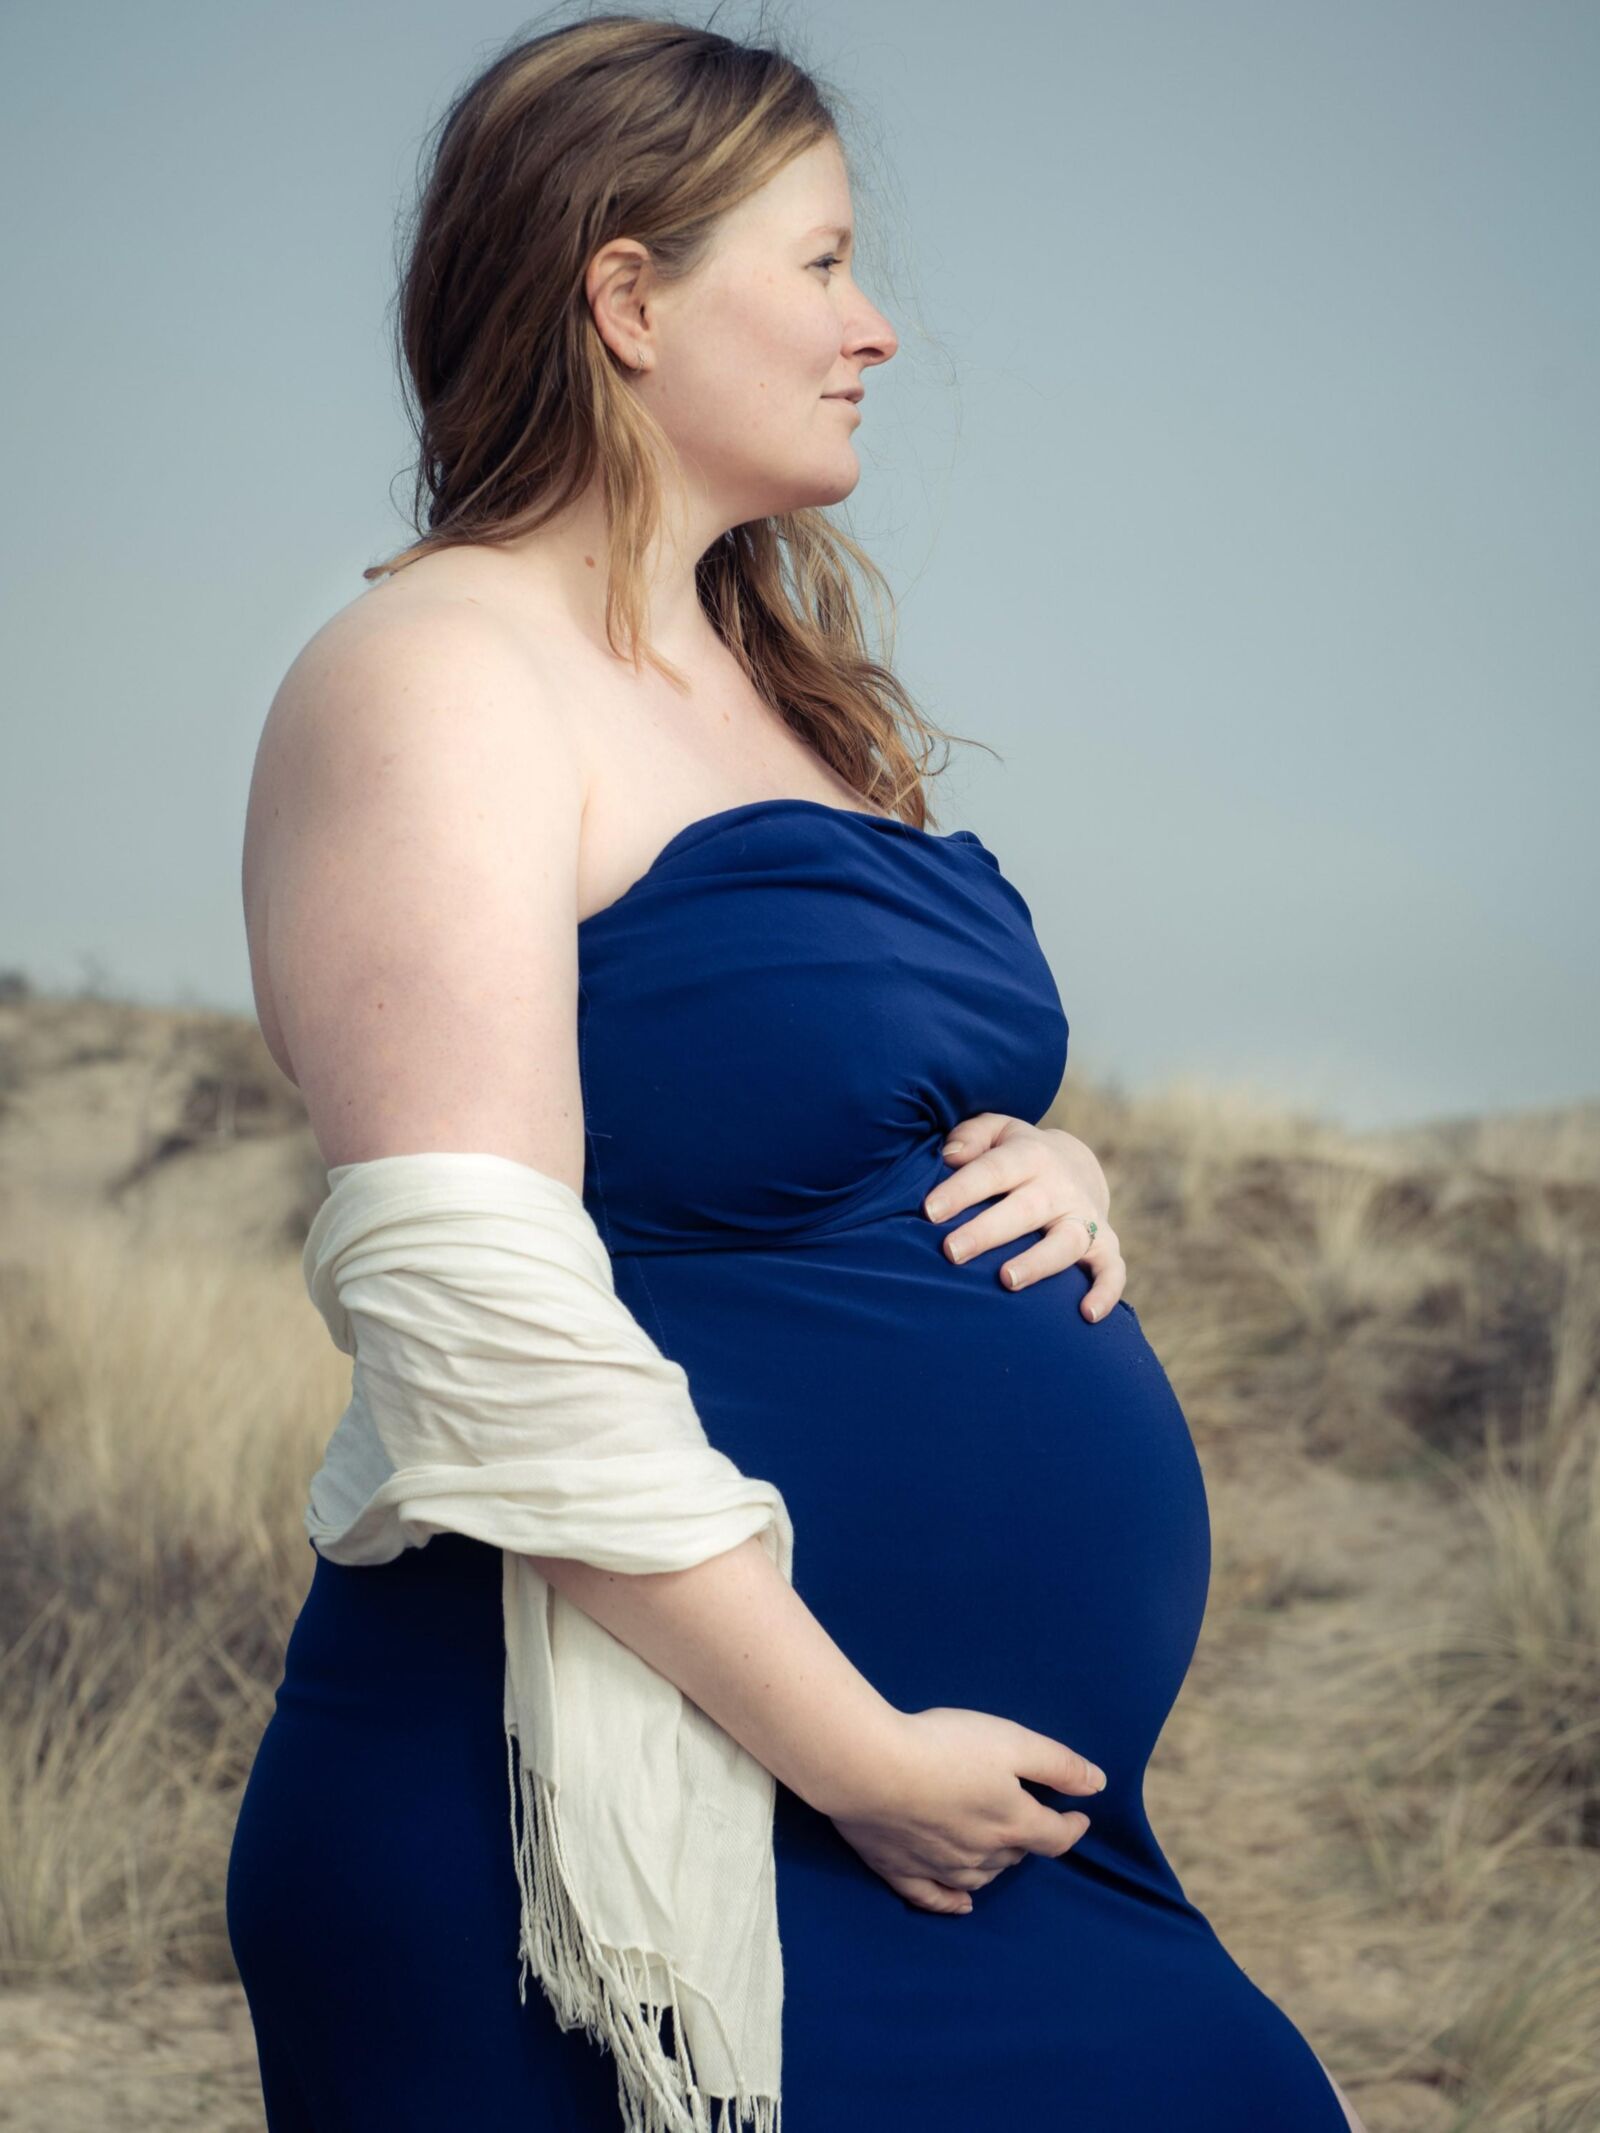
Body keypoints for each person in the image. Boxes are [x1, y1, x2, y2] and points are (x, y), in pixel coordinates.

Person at [226, 14, 1368, 2130]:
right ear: (626, 296)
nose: (878, 329)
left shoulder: (794, 701)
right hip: (630, 1810)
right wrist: (850, 1751)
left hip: (945, 1822)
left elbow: (800, 1090)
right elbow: (468, 1297)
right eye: (825, 262)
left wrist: (1045, 1154)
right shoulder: (436, 674)